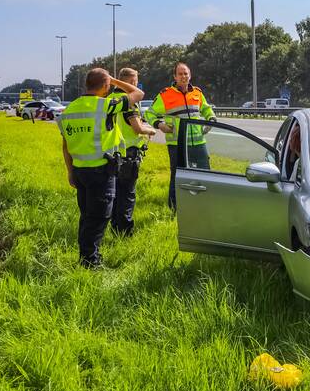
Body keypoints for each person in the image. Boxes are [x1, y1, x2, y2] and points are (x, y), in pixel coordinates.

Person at [59, 68, 144, 268]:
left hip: (79, 171)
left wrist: (70, 171)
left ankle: (87, 256)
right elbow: (138, 94)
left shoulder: (69, 109)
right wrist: (116, 81)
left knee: (87, 216)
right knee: (98, 218)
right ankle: (90, 262)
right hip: (100, 171)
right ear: (106, 86)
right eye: (108, 84)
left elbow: (65, 146)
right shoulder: (106, 105)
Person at [144, 61, 216, 210]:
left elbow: (207, 110)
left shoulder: (197, 92)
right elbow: (149, 113)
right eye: (180, 74)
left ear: (190, 75)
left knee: (205, 174)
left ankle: (204, 205)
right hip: (177, 144)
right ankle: (175, 209)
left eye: (186, 73)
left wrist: (211, 120)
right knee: (178, 176)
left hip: (198, 143)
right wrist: (160, 125)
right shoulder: (165, 95)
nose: (183, 76)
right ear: (174, 76)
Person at [108, 68, 157, 236]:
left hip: (111, 153)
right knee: (127, 195)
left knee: (114, 195)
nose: (136, 84)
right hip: (128, 154)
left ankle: (114, 227)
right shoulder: (127, 100)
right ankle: (125, 232)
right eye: (135, 81)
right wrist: (151, 130)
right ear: (130, 82)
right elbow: (137, 128)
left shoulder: (108, 99)